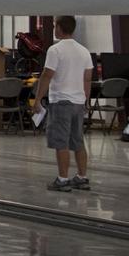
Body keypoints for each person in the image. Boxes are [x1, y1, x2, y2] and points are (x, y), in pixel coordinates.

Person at [35, 15, 94, 192]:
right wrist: (85, 100)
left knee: (62, 142)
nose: (54, 29)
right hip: (78, 103)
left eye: (54, 26)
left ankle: (62, 179)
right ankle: (82, 177)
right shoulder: (84, 51)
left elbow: (47, 75)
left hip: (61, 102)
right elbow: (88, 79)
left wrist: (37, 99)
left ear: (59, 28)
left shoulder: (55, 50)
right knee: (78, 141)